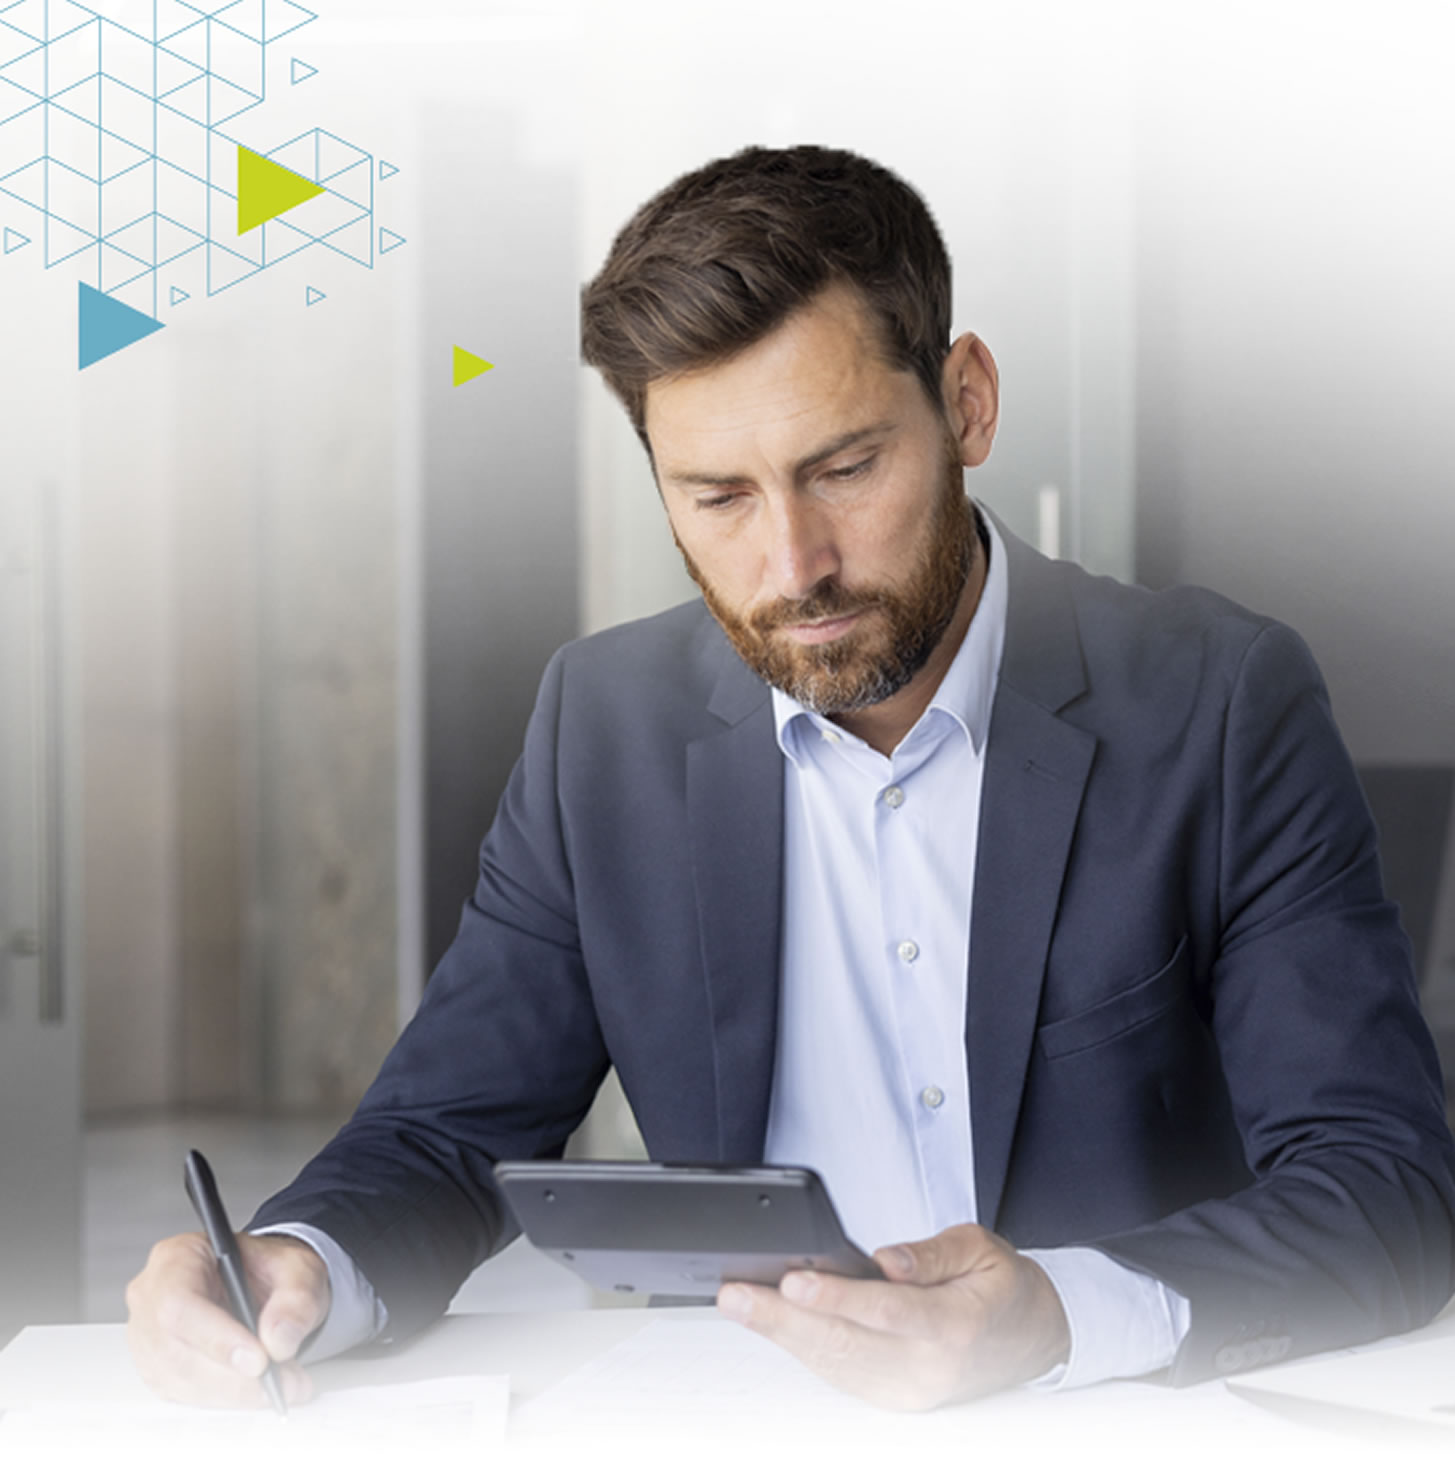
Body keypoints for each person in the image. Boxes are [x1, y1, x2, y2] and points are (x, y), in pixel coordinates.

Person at [126, 145, 1455, 1412]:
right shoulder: (604, 727)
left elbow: (1385, 1181)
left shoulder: (1218, 704)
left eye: (847, 469)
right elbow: (440, 1131)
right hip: (743, 1426)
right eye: (719, 497)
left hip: (1112, 1424)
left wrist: (1054, 1316)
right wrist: (296, 1263)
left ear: (968, 403)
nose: (795, 565)